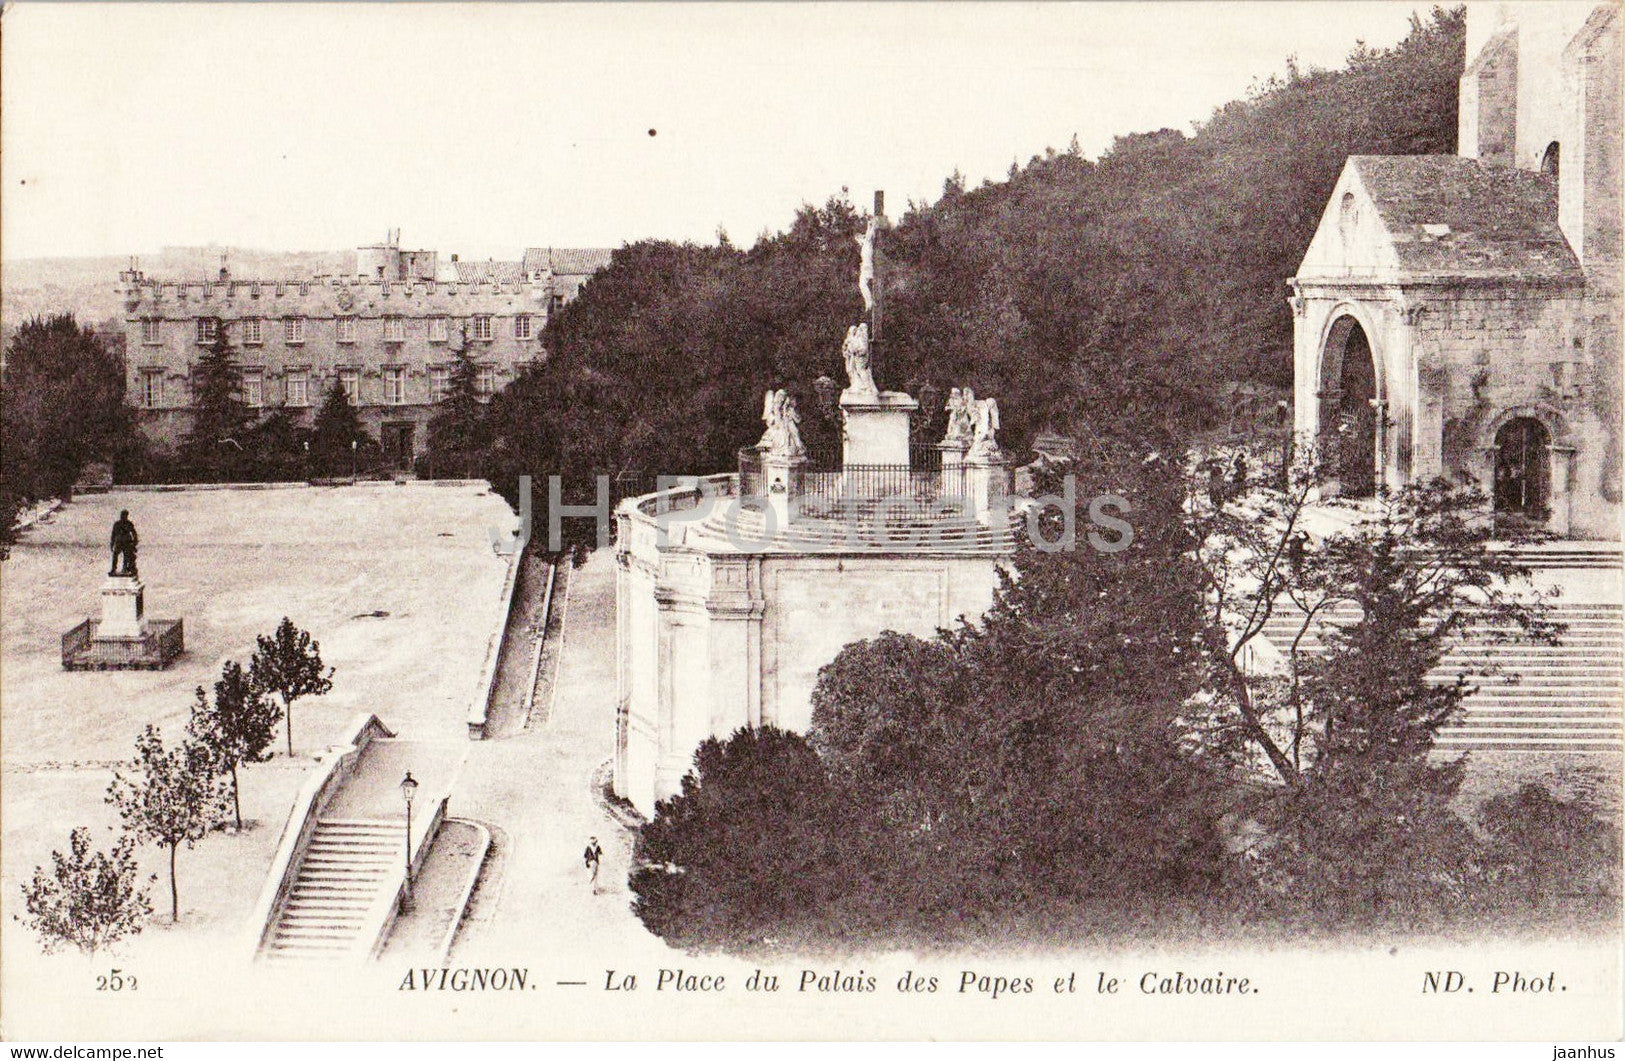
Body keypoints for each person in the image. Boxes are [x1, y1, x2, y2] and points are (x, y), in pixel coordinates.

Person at [109, 510, 138, 577]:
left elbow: (134, 533)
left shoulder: (129, 524)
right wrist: (112, 543)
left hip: (126, 542)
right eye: (122, 515)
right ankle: (114, 569)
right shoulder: (117, 524)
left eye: (124, 515)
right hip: (119, 542)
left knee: (126, 556)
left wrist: (134, 543)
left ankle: (124, 568)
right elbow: (113, 534)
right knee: (115, 555)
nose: (123, 517)